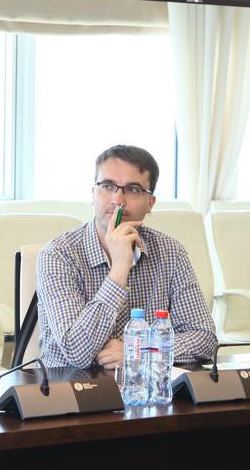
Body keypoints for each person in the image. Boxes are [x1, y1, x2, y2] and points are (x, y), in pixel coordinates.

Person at [37, 145, 216, 368]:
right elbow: (76, 350)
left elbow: (204, 337)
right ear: (92, 194)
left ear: (150, 203)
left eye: (133, 189)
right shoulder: (58, 254)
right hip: (70, 385)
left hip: (144, 384)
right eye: (107, 186)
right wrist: (120, 268)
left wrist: (138, 350)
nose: (118, 200)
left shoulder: (170, 252)